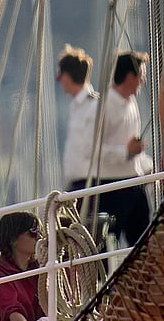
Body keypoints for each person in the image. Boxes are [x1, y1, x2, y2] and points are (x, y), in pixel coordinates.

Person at [57, 47, 154, 246]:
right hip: (109, 188)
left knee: (144, 245)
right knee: (101, 249)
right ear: (129, 77)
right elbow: (90, 149)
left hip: (132, 183)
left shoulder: (131, 103)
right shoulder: (101, 107)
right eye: (141, 75)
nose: (143, 81)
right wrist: (126, 152)